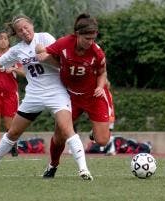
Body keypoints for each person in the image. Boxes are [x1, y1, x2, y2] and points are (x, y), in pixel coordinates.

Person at [0, 15, 93, 181]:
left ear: (31, 25)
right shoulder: (17, 49)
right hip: (34, 95)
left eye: (26, 27)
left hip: (56, 92)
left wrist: (44, 55)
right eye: (20, 30)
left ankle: (83, 170)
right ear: (17, 33)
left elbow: (61, 61)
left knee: (66, 129)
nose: (24, 31)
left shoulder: (45, 37)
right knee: (13, 132)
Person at [36, 13, 111, 178]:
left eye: (93, 38)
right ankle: (53, 165)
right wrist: (41, 53)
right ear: (77, 34)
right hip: (69, 96)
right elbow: (44, 53)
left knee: (103, 141)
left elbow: (102, 72)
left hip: (93, 96)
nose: (90, 42)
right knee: (59, 136)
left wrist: (100, 86)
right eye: (87, 38)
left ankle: (94, 133)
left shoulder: (97, 53)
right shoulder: (63, 43)